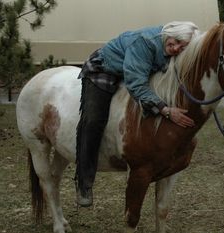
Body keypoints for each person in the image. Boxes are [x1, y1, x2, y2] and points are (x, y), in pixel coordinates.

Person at [75, 21, 199, 207]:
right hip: (104, 69)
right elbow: (136, 84)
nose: (176, 48)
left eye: (183, 47)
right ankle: (83, 182)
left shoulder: (173, 50)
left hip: (136, 69)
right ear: (170, 32)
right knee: (93, 120)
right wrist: (165, 110)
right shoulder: (145, 42)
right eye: (176, 41)